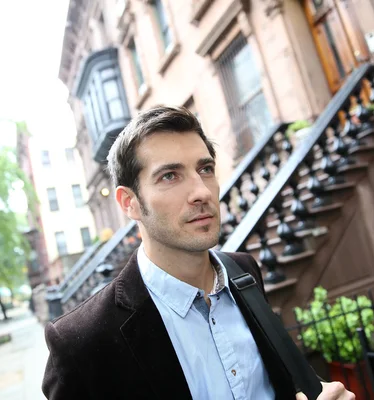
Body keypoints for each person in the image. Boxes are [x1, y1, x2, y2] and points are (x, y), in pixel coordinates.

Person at [42, 106, 355, 399]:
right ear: (129, 203)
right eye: (170, 176)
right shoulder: (80, 343)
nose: (202, 192)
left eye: (205, 169)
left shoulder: (244, 272)